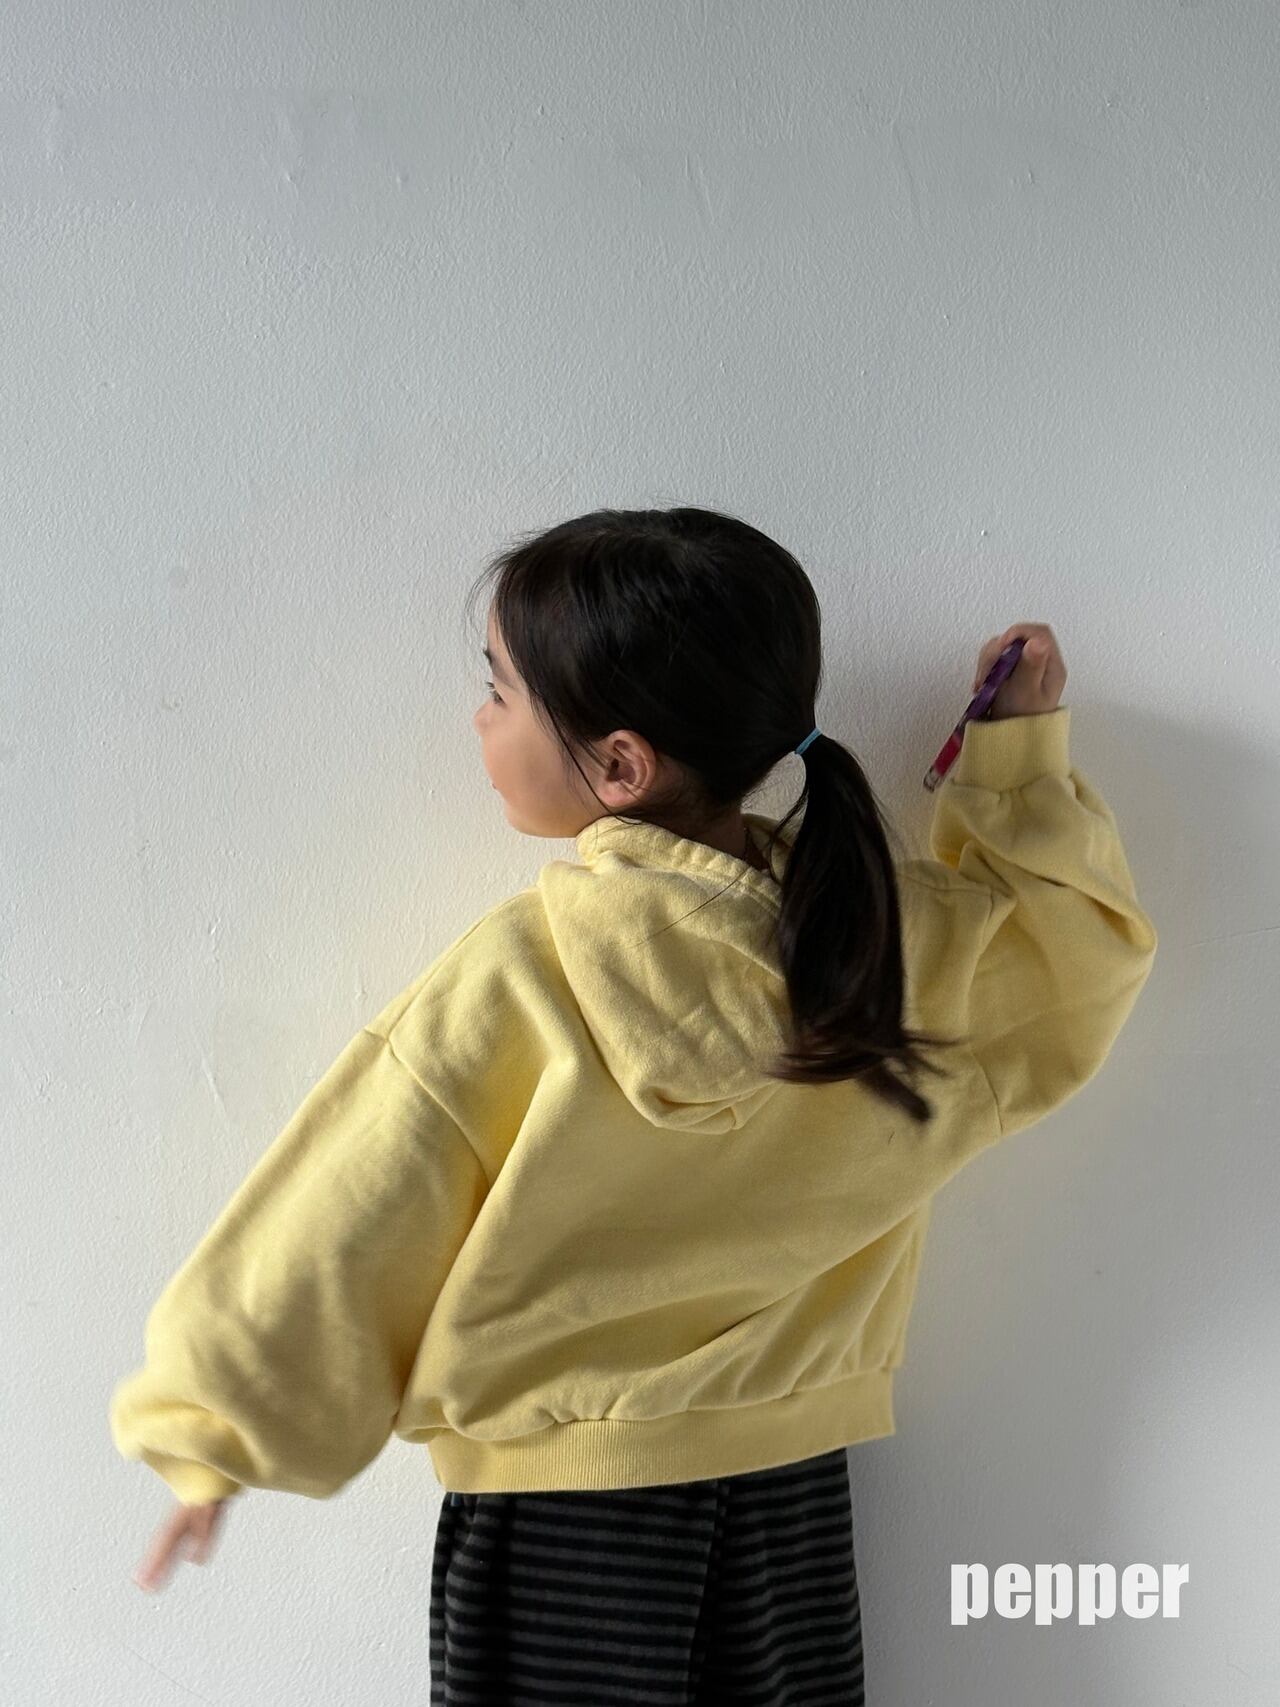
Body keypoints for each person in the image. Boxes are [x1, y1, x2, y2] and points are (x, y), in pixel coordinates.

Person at [111, 507, 1157, 1704]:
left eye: (498, 691)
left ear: (619, 766)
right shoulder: (879, 950)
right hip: (788, 1496)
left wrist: (214, 1428)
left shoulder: (525, 975)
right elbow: (1070, 959)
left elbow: (357, 1201)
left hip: (558, 1518)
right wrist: (1014, 755)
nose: (480, 720)